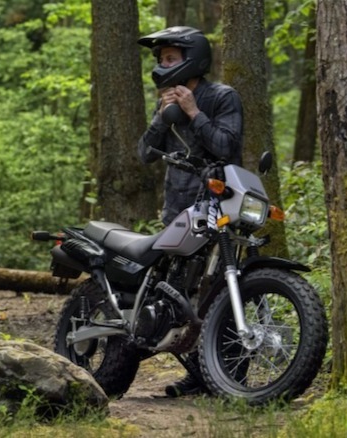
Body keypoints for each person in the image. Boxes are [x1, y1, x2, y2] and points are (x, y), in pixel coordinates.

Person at [136, 26, 244, 397]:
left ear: (191, 60)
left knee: (220, 291)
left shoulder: (221, 97)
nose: (163, 65)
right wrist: (160, 117)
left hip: (220, 206)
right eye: (161, 59)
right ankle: (197, 375)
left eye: (169, 58)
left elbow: (227, 147)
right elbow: (144, 155)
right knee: (180, 295)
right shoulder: (164, 103)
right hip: (178, 208)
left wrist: (193, 111)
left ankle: (232, 374)